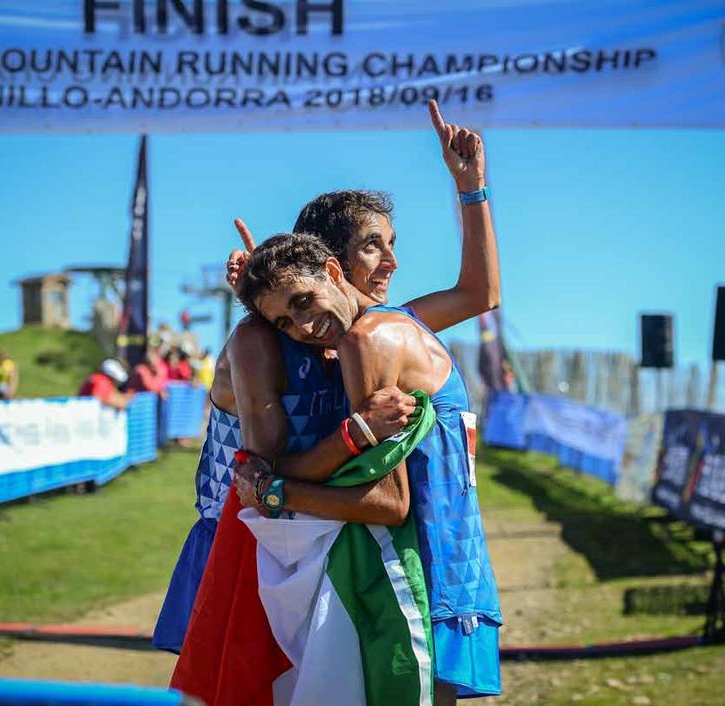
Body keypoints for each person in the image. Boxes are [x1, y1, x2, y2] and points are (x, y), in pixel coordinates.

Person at [168, 101, 500, 705]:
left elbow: (479, 292)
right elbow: (248, 445)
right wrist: (267, 290)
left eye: (392, 245)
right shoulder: (272, 337)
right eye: (374, 246)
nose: (392, 261)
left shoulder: (384, 331)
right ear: (331, 259)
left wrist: (471, 189)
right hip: (281, 551)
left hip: (394, 541)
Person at [236, 233, 503, 703]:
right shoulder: (393, 325)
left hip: (419, 572)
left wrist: (273, 494)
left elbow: (388, 502)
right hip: (456, 559)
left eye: (304, 301)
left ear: (335, 272)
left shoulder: (367, 339)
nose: (301, 326)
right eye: (283, 321)